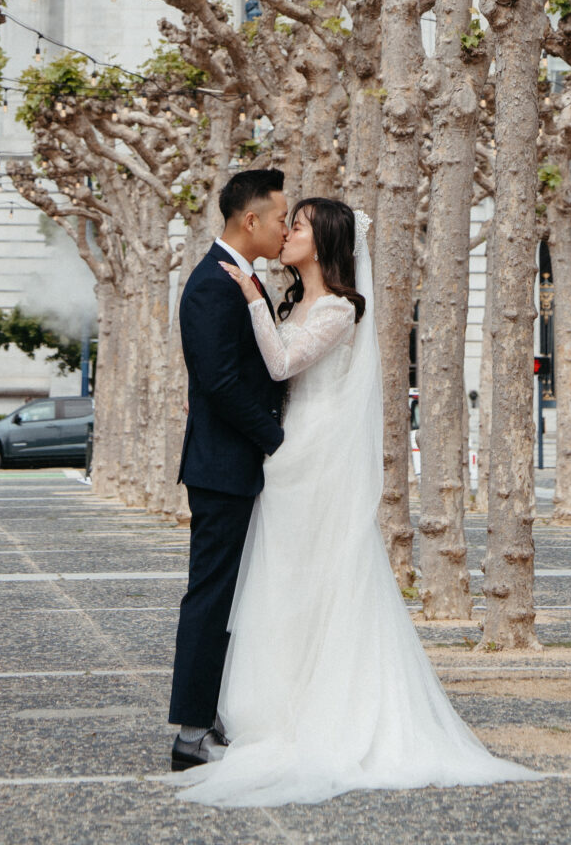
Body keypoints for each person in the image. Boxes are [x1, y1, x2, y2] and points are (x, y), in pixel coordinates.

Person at [168, 196, 534, 805]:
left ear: (326, 241)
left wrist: (255, 303)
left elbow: (281, 363)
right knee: (280, 581)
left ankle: (322, 710)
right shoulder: (286, 296)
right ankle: (272, 707)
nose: (288, 231)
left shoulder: (338, 308)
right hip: (284, 454)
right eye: (286, 220)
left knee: (323, 578)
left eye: (300, 225)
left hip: (311, 453)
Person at [167, 166, 290, 771]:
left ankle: (214, 712)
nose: (285, 226)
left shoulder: (241, 277)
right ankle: (190, 734)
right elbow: (216, 381)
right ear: (251, 220)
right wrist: (277, 438)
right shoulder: (211, 285)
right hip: (222, 466)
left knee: (233, 595)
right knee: (211, 595)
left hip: (235, 462)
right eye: (280, 217)